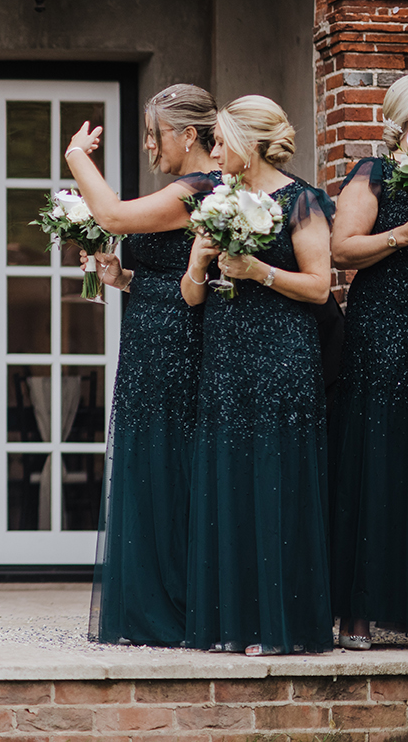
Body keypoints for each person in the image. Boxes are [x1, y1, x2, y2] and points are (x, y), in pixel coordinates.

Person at [65, 84, 221, 646]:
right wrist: (123, 278)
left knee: (171, 466)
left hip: (179, 346)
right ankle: (153, 603)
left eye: (155, 135)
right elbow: (169, 279)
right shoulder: (185, 190)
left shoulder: (201, 189)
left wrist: (76, 156)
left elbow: (112, 215)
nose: (150, 146)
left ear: (188, 134)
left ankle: (176, 608)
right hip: (151, 338)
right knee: (151, 466)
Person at [181, 95, 333, 655]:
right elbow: (191, 298)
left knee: (276, 480)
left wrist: (257, 270)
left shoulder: (301, 201)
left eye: (221, 141)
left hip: (281, 356)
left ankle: (280, 626)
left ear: (249, 144)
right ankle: (231, 623)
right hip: (225, 356)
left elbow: (318, 287)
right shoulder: (217, 202)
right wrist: (198, 264)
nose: (214, 152)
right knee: (229, 479)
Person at [328, 75, 408, 650]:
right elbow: (341, 248)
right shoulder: (374, 174)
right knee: (377, 452)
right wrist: (401, 235)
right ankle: (358, 611)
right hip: (384, 325)